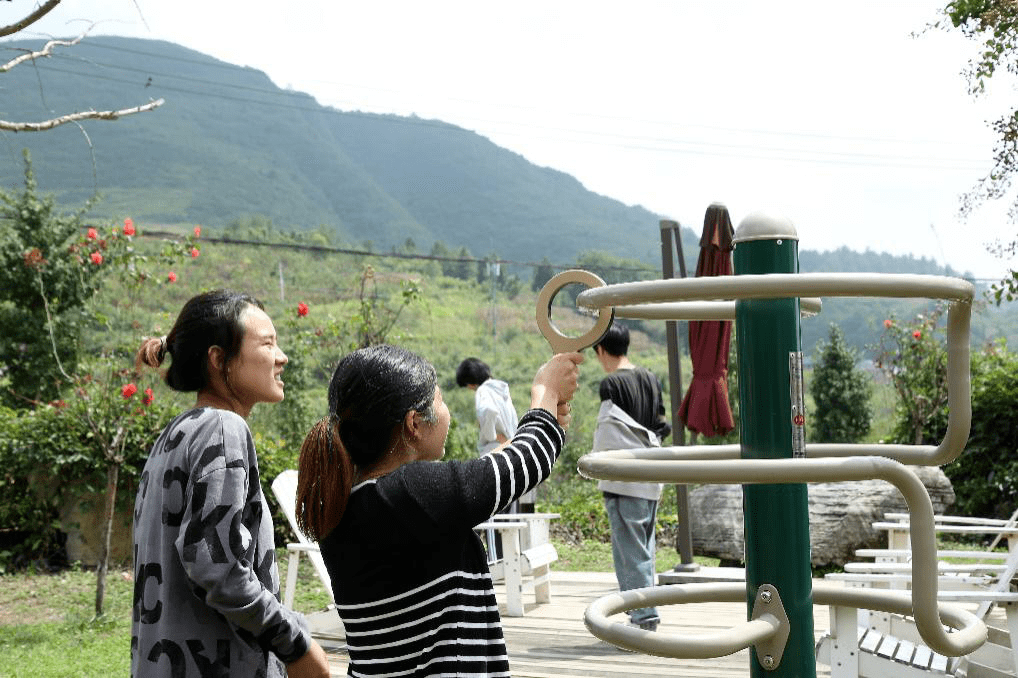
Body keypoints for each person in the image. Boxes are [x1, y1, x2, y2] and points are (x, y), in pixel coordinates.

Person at [295, 345, 582, 677]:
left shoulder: (358, 501)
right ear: (414, 424)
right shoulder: (410, 493)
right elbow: (519, 466)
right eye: (440, 400)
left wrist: (546, 424)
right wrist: (545, 392)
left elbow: (492, 469)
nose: (446, 411)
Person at [131, 290, 330, 678]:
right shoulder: (224, 428)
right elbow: (215, 564)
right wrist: (295, 644)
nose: (281, 356)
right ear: (219, 359)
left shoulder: (173, 435)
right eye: (267, 343)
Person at [591, 322, 671, 632]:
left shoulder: (611, 384)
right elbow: (661, 424)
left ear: (601, 350)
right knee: (644, 551)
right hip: (652, 475)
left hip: (624, 480)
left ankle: (643, 619)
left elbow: (610, 433)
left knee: (630, 554)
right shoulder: (650, 377)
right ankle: (642, 614)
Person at [455, 357, 519, 456]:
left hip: (494, 451)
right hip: (510, 449)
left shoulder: (483, 391)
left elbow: (489, 410)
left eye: (466, 385)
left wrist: (492, 436)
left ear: (470, 382)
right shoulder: (501, 391)